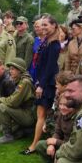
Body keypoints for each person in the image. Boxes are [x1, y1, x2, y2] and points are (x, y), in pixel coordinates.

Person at [21, 15, 60, 155]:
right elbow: (40, 65)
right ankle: (40, 141)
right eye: (42, 25)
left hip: (47, 84)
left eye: (46, 25)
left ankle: (34, 145)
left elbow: (50, 68)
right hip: (42, 81)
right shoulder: (46, 41)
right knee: (42, 115)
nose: (43, 28)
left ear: (54, 25)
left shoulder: (54, 44)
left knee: (41, 114)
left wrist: (41, 85)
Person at [0, 57, 36, 144]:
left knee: (2, 107)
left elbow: (13, 102)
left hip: (28, 114)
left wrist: (0, 100)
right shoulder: (19, 80)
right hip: (22, 112)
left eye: (13, 69)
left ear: (19, 70)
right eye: (10, 69)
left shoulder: (25, 82)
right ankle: (25, 131)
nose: (10, 71)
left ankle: (8, 136)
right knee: (2, 128)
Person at [36, 93, 76, 163]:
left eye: (66, 105)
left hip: (72, 150)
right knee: (40, 145)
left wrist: (55, 142)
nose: (62, 107)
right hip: (62, 145)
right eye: (60, 104)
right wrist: (52, 144)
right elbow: (57, 132)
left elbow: (74, 145)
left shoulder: (77, 119)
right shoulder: (62, 114)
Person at [29, 19, 44, 83]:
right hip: (33, 68)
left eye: (37, 27)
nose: (36, 29)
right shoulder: (35, 39)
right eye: (35, 27)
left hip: (42, 68)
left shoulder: (47, 40)